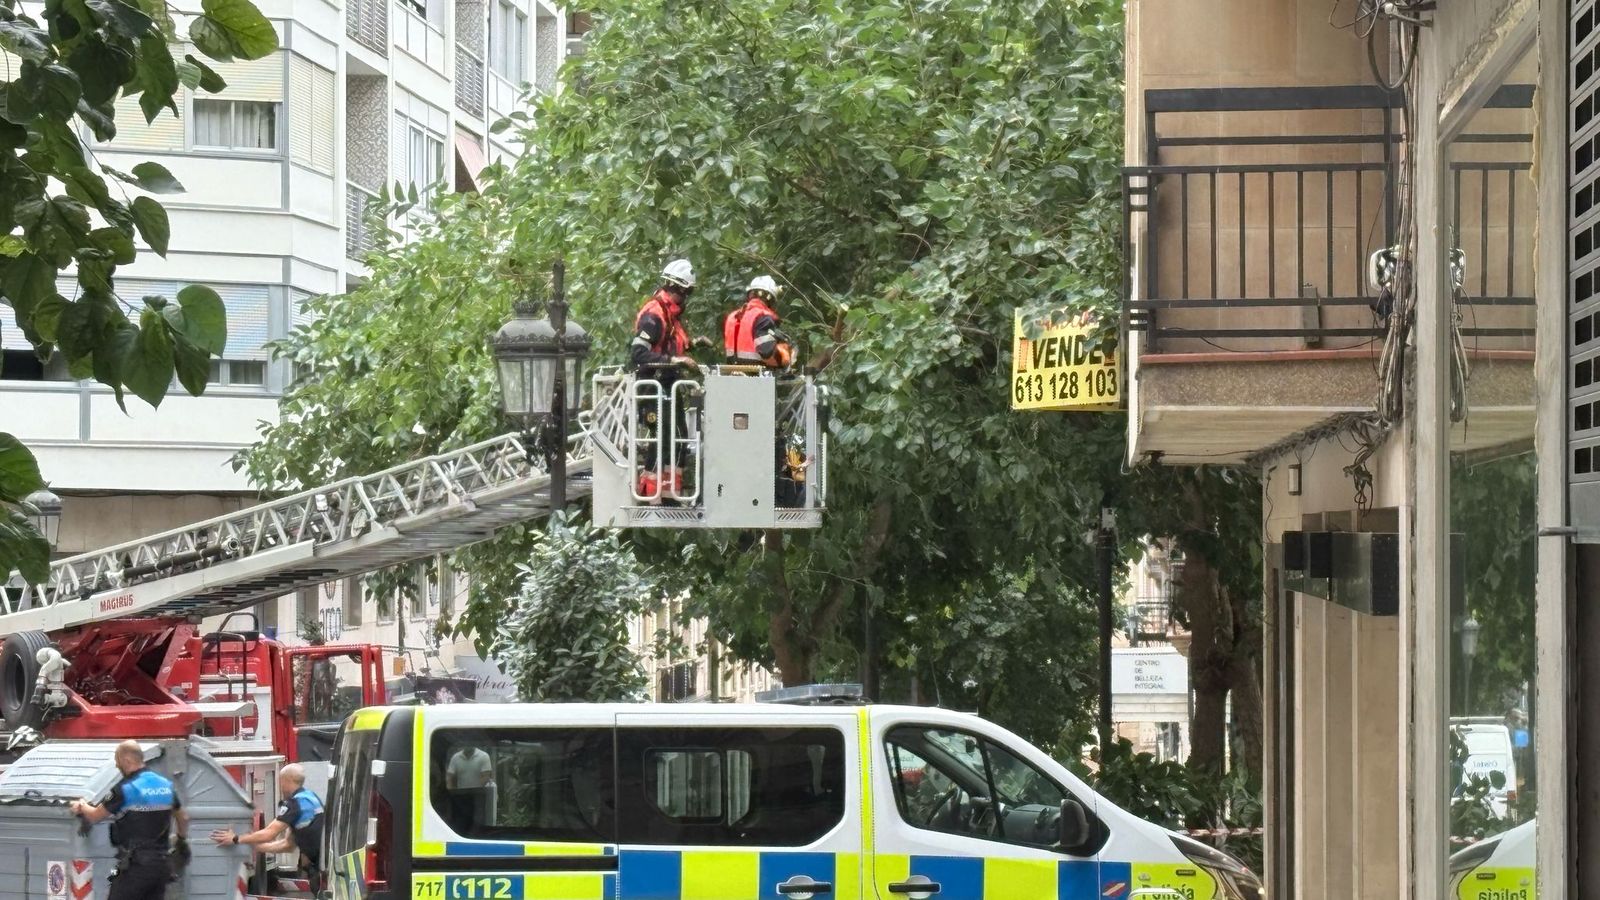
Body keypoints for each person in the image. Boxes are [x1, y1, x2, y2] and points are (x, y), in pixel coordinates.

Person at [69, 740, 189, 900]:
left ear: (127, 760)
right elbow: (183, 817)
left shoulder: (126, 788)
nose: (117, 766)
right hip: (161, 866)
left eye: (118, 762)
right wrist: (181, 840)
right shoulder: (165, 785)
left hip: (136, 867)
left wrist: (82, 805)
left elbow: (95, 815)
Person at [630, 259, 701, 500]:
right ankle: (651, 493)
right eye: (687, 292)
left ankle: (670, 493)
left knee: (677, 436)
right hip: (654, 386)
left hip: (669, 386)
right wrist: (675, 362)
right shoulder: (655, 314)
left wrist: (693, 345)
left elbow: (671, 345)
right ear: (678, 288)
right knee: (663, 438)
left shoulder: (670, 316)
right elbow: (639, 353)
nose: (687, 298)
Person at [211, 763, 325, 891]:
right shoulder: (311, 797)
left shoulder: (295, 804)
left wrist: (236, 839)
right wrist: (254, 846)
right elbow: (288, 845)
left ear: (286, 780)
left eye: (281, 781)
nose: (280, 786)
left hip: (318, 869)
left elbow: (269, 833)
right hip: (322, 866)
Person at [722, 275, 794, 368]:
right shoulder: (763, 317)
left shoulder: (733, 316)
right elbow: (766, 352)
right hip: (756, 375)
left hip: (731, 373)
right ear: (770, 298)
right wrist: (781, 353)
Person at [445, 744, 496, 830]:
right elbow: (449, 777)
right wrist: (451, 792)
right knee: (461, 822)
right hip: (460, 796)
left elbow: (485, 776)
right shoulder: (456, 757)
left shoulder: (483, 756)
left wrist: (473, 790)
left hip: (478, 796)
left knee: (478, 823)